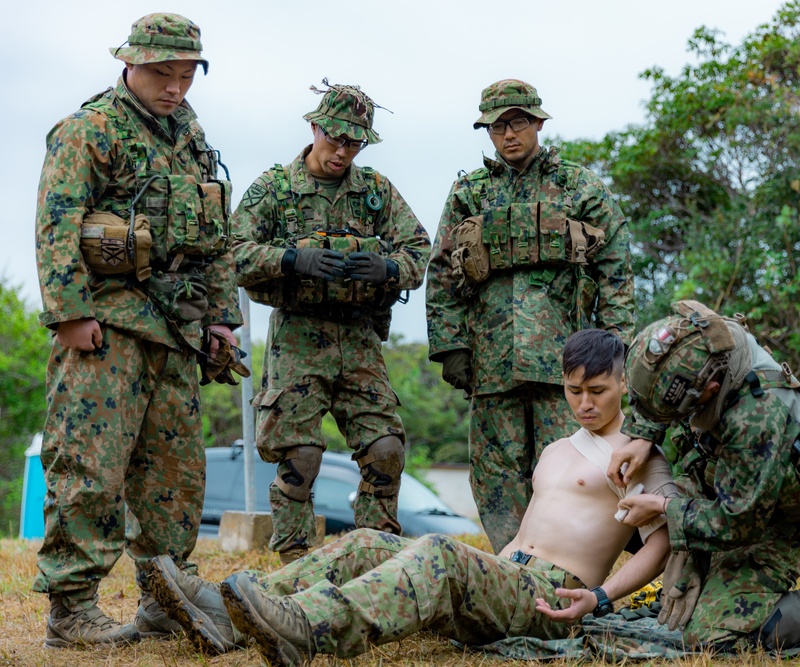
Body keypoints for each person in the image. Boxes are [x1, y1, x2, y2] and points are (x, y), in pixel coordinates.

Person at [142, 329, 676, 665]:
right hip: (509, 576)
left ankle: (307, 626)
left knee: (439, 550)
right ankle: (223, 612)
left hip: (555, 596)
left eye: (597, 392)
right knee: (367, 542)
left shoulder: (636, 456)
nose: (584, 403)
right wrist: (485, 570)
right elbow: (532, 527)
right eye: (573, 390)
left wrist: (601, 598)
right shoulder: (558, 448)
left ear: (624, 383)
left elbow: (661, 545)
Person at [32, 13, 242, 648]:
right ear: (131, 64)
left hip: (175, 330)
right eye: (162, 73)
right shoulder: (90, 129)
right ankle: (71, 610)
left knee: (174, 476)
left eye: (185, 75)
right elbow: (57, 223)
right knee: (90, 467)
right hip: (108, 324)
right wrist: (70, 313)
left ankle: (164, 597)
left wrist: (221, 317)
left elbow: (215, 235)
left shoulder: (192, 137)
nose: (175, 87)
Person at [424, 79, 659, 551]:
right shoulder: (469, 194)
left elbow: (615, 270)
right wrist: (451, 346)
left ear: (538, 123)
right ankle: (514, 574)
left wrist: (614, 349)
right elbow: (443, 273)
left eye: (518, 123)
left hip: (567, 366)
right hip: (492, 363)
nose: (508, 135)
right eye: (497, 127)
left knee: (576, 470)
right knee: (497, 475)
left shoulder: (580, 187)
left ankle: (573, 563)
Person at [611, 300, 800, 654]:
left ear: (708, 391)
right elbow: (657, 374)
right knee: (679, 598)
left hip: (790, 517)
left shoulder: (756, 419)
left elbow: (738, 522)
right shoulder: (703, 340)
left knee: (709, 634)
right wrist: (642, 435)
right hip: (739, 491)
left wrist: (664, 507)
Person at [231, 82, 430, 564]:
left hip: (360, 336)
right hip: (299, 335)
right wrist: (289, 259)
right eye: (335, 139)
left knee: (384, 449)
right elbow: (232, 251)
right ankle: (298, 566)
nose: (343, 152)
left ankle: (372, 557)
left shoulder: (375, 192)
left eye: (354, 143)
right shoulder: (276, 187)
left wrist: (389, 268)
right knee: (300, 457)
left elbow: (419, 249)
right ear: (315, 128)